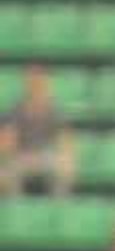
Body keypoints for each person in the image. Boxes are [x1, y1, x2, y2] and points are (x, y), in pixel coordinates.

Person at [0, 65, 75, 197]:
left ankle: (58, 210)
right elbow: (6, 142)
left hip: (47, 157)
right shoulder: (16, 110)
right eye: (32, 81)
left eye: (39, 81)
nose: (36, 85)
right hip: (22, 157)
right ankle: (16, 210)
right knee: (8, 172)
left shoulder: (54, 110)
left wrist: (63, 157)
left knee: (64, 167)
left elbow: (65, 141)